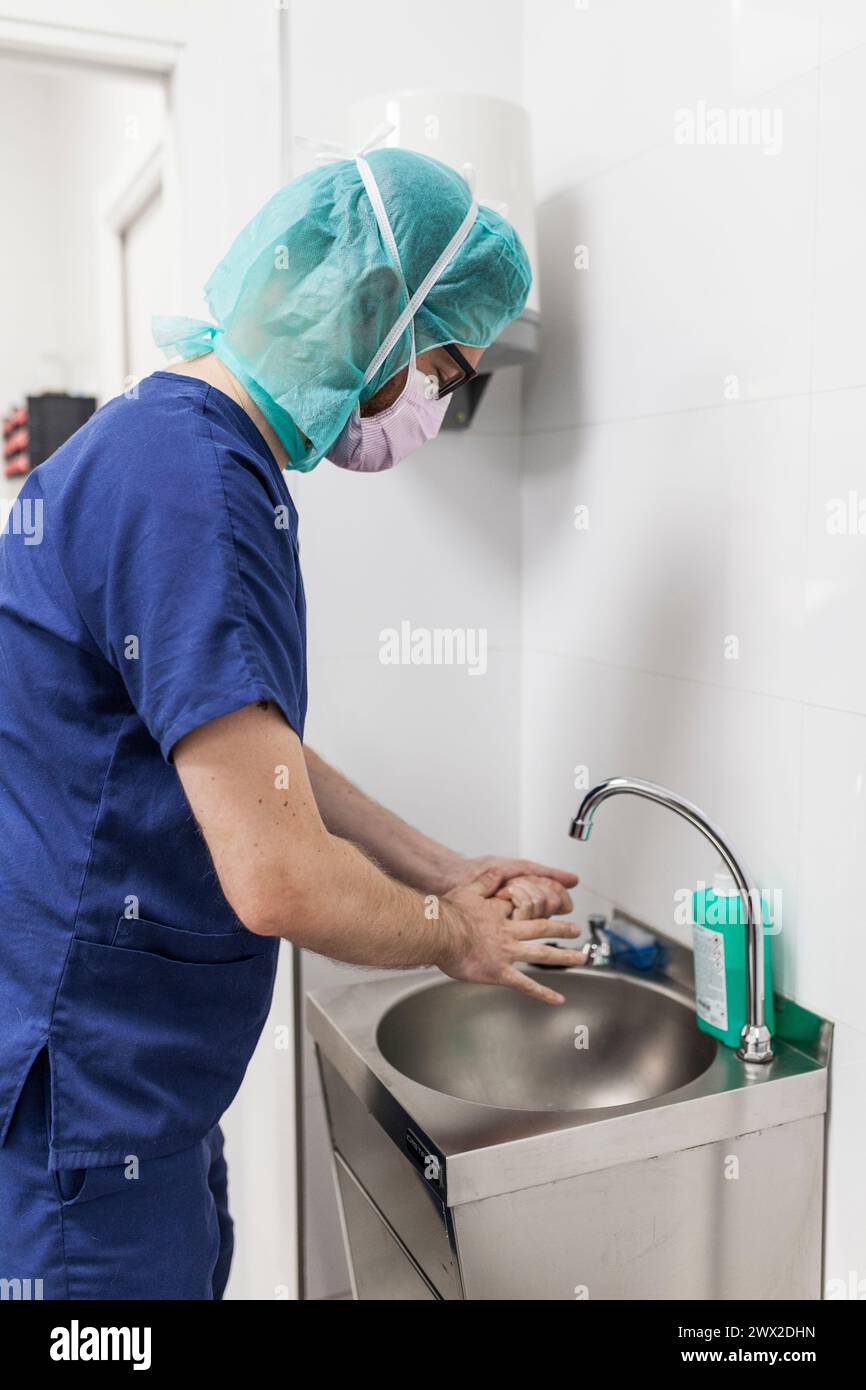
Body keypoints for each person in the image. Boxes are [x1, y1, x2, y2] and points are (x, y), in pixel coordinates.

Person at [0, 146, 585, 1300]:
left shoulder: (161, 444)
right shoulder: (198, 489)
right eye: (443, 369)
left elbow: (245, 748)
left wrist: (440, 864)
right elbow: (277, 877)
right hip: (86, 1118)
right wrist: (450, 932)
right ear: (376, 308)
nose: (437, 406)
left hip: (127, 1098)